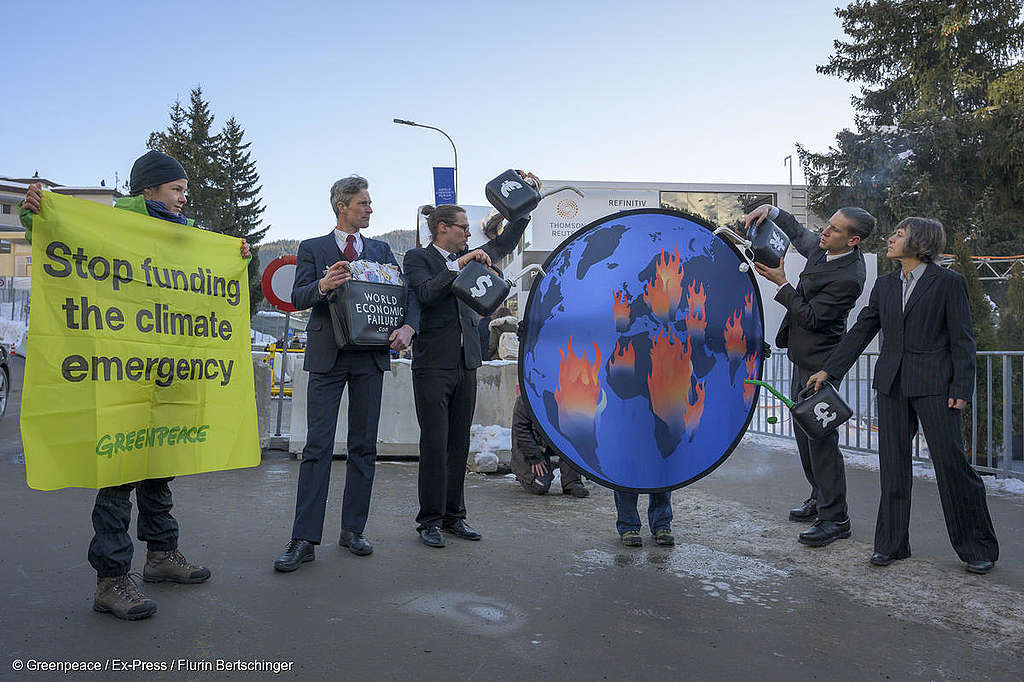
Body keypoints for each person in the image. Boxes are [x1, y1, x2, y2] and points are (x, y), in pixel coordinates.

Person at [19, 150, 250, 620]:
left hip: (168, 374)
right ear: (148, 190)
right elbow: (54, 236)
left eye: (185, 191)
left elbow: (205, 282)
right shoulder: (112, 225)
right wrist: (33, 211)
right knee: (117, 479)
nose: (185, 199)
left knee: (160, 465)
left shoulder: (183, 234)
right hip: (120, 375)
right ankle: (111, 581)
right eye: (177, 190)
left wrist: (238, 256)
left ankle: (162, 556)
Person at [809, 217, 999, 574]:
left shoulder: (948, 283)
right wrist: (830, 370)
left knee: (952, 466)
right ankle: (892, 545)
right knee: (893, 468)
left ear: (920, 241)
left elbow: (962, 340)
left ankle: (977, 548)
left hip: (936, 387)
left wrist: (961, 387)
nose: (891, 238)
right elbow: (862, 330)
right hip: (892, 386)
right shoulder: (884, 285)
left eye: (899, 234)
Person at [274, 176, 417, 571]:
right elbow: (298, 296)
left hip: (369, 356)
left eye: (370, 203)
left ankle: (353, 529)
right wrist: (323, 283)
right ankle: (303, 538)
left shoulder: (382, 250)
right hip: (328, 356)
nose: (370, 209)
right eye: (364, 203)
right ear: (342, 206)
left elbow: (403, 295)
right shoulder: (313, 248)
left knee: (363, 447)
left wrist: (407, 327)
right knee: (317, 448)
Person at [403, 174, 536, 548]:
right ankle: (428, 519)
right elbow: (426, 295)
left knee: (459, 443)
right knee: (434, 442)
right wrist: (458, 265)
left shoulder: (475, 256)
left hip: (467, 362)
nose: (467, 233)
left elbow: (505, 242)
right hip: (432, 364)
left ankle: (454, 516)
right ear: (442, 229)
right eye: (462, 228)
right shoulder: (419, 258)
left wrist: (525, 208)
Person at [744, 204, 875, 547]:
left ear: (853, 241)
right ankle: (819, 496)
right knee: (805, 438)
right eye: (827, 225)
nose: (824, 233)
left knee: (821, 441)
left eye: (833, 230)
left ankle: (836, 519)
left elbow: (813, 318)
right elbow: (800, 234)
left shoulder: (849, 276)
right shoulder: (824, 248)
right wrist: (771, 210)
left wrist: (782, 282)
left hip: (821, 367)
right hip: (803, 359)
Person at [511, 392, 589, 497]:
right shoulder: (525, 398)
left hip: (552, 441)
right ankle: (522, 472)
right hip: (531, 445)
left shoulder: (564, 392)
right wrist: (535, 457)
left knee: (573, 438)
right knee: (540, 486)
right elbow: (521, 431)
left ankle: (571, 482)